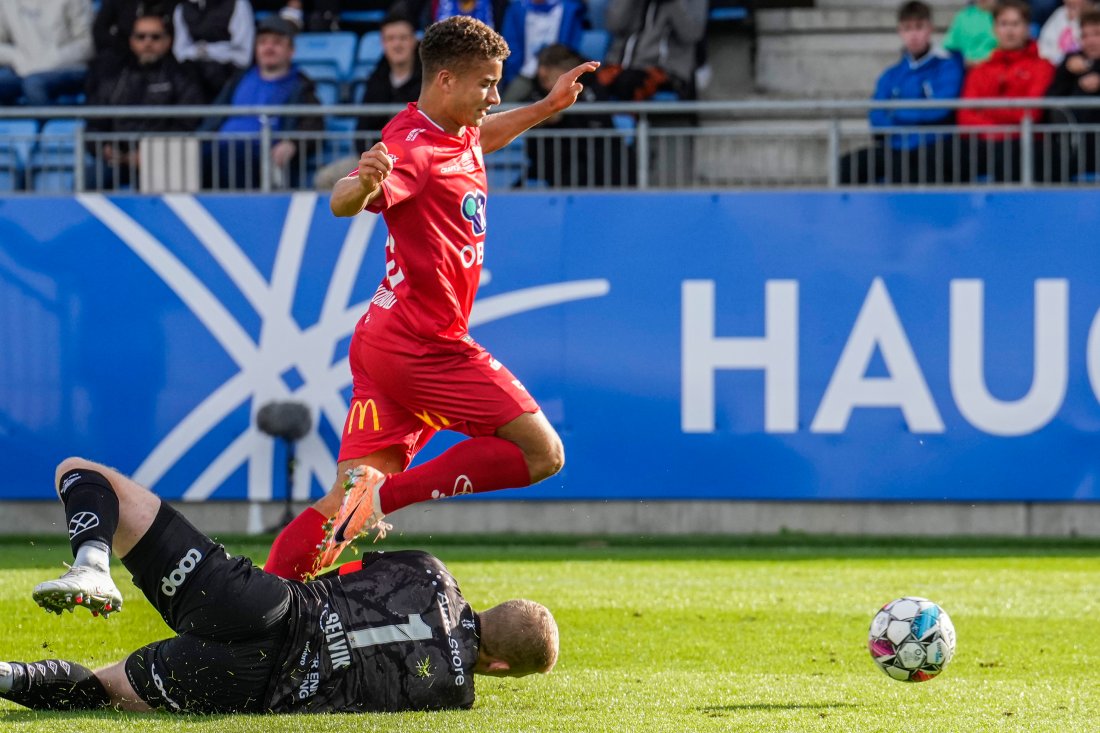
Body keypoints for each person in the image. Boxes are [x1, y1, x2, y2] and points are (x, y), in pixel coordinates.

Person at [324, 16, 598, 567]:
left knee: (339, 516)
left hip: (386, 336)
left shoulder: (453, 133)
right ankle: (383, 498)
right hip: (424, 344)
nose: (495, 97)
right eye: (487, 84)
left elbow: (482, 138)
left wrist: (545, 107)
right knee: (544, 453)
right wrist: (363, 183)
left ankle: (256, 616)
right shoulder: (412, 147)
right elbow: (344, 198)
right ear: (446, 79)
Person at [0, 457, 558, 714]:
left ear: (499, 606)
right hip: (250, 688)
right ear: (503, 667)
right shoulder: (453, 697)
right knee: (101, 691)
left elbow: (340, 570)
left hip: (259, 605)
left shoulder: (430, 570)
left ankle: (94, 560)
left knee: (84, 474)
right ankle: (7, 677)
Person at [839, 1, 965, 185]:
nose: (913, 35)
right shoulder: (891, 74)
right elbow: (876, 115)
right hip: (897, 145)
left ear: (930, 29)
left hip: (933, 145)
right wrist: (909, 119)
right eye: (907, 28)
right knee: (847, 166)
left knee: (916, 168)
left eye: (919, 27)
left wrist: (897, 114)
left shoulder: (947, 67)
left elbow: (941, 109)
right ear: (900, 31)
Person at [199, 15, 323, 190]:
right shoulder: (239, 78)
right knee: (184, 155)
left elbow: (314, 123)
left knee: (231, 154)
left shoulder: (300, 85)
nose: (269, 47)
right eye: (263, 42)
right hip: (218, 150)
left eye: (277, 42)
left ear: (291, 51)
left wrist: (292, 142)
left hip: (261, 157)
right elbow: (213, 117)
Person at [84, 11, 205, 190]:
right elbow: (95, 122)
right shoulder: (115, 75)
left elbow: (187, 123)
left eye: (155, 37)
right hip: (119, 159)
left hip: (164, 158)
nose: (147, 42)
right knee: (91, 178)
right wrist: (103, 148)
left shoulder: (182, 75)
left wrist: (152, 153)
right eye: (141, 37)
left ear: (168, 41)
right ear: (132, 41)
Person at [313, 10, 423, 190]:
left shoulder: (428, 79)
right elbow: (362, 129)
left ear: (413, 41)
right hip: (376, 159)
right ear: (383, 43)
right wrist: (373, 159)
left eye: (403, 38)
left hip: (417, 158)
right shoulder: (375, 79)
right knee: (325, 179)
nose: (397, 44)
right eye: (391, 38)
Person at [958, 0, 1055, 181]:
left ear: (1027, 29)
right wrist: (998, 129)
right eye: (1003, 24)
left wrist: (985, 109)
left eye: (1015, 24)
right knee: (944, 157)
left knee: (1009, 156)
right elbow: (965, 116)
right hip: (985, 144)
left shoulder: (1043, 67)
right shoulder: (980, 70)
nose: (1009, 31)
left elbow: (1031, 113)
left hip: (1024, 145)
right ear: (994, 29)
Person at [523, 43, 631, 187]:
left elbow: (598, 123)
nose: (542, 74)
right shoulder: (537, 89)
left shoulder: (590, 85)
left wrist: (563, 113)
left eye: (549, 72)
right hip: (555, 161)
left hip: (593, 159)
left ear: (565, 70)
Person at [598, 0, 707, 100]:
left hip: (664, 70)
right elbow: (614, 25)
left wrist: (673, 3)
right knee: (588, 81)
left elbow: (692, 34)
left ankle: (628, 120)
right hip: (621, 64)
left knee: (628, 82)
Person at [0, 0, 94, 106]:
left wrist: (48, 61)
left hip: (68, 66)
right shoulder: (6, 2)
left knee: (34, 85)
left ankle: (50, 121)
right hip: (24, 67)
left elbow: (87, 45)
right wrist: (15, 57)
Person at [1045, 7, 1100, 178]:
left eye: (1097, 34)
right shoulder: (1071, 62)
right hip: (1076, 152)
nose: (1090, 41)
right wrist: (1065, 72)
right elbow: (1050, 101)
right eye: (1084, 36)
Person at [499, 0, 586, 101]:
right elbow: (511, 45)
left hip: (559, 69)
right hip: (525, 72)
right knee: (508, 103)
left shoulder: (570, 9)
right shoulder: (517, 9)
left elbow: (571, 48)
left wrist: (554, 69)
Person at [173, 0, 255, 101]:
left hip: (230, 77)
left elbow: (243, 57)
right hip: (194, 81)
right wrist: (210, 51)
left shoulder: (238, 3)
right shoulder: (182, 8)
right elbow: (180, 53)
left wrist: (206, 50)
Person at [943, 0, 998, 66]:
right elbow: (949, 47)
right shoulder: (964, 16)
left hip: (996, 67)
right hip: (967, 68)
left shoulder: (1005, 17)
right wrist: (964, 61)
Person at [1038, 0, 1092, 65]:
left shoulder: (1093, 15)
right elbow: (1044, 43)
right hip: (1054, 63)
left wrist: (1076, 20)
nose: (1071, 2)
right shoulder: (1060, 13)